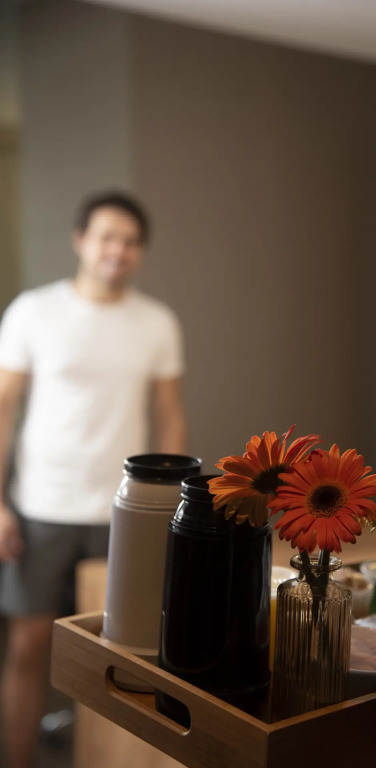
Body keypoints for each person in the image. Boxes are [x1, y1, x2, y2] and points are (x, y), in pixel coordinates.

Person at [0, 191, 186, 768]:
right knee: (29, 646)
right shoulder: (34, 311)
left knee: (120, 656)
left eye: (130, 242)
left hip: (123, 516)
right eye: (107, 237)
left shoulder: (156, 322)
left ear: (140, 252)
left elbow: (170, 416)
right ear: (81, 240)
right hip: (41, 508)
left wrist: (171, 505)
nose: (118, 251)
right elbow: (3, 409)